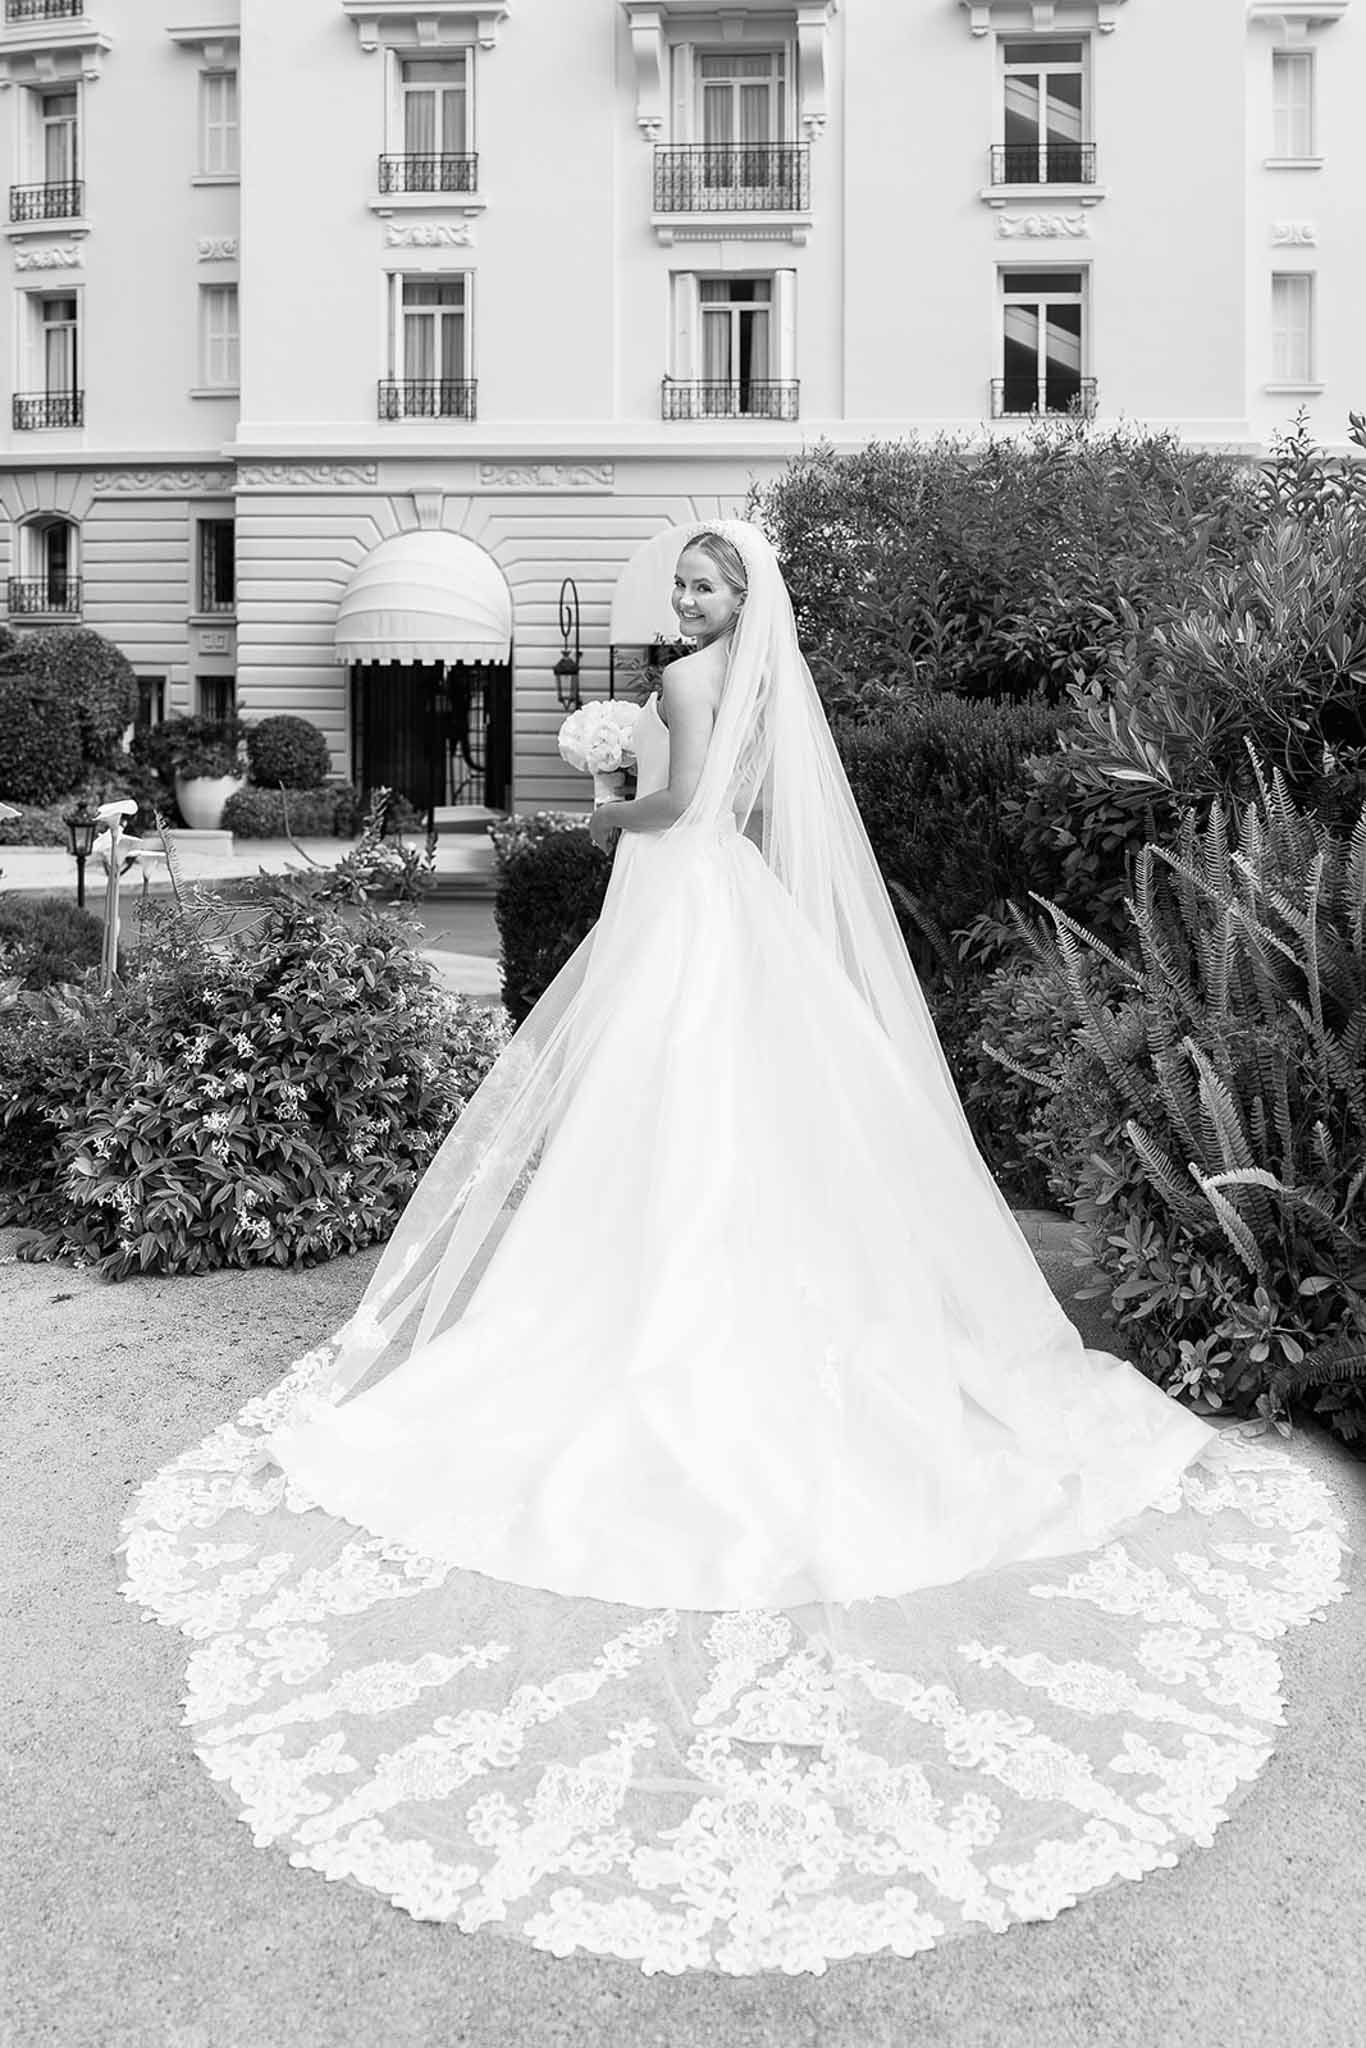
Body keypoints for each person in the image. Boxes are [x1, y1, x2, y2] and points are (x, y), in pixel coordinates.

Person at [119, 519, 1347, 1978]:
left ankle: (659, 1310)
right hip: (726, 912)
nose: (689, 602)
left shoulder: (700, 681)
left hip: (680, 901)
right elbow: (741, 805)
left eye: (708, 587)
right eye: (684, 585)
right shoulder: (754, 679)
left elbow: (685, 805)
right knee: (736, 1121)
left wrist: (602, 801)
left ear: (739, 601)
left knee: (670, 1115)